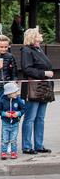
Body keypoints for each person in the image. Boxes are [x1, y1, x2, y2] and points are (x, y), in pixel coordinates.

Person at [21, 27, 54, 155]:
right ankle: (27, 146)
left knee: (40, 118)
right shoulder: (26, 50)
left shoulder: (38, 48)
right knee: (30, 118)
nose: (41, 34)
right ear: (33, 36)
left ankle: (39, 145)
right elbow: (27, 69)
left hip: (44, 87)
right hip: (33, 88)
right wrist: (44, 73)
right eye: (39, 33)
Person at [0, 82, 26, 160]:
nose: (17, 93)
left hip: (15, 123)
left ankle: (14, 152)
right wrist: (4, 114)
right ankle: (3, 152)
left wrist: (18, 113)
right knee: (5, 139)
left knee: (13, 139)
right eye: (15, 92)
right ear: (9, 93)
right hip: (5, 122)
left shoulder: (18, 100)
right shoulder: (2, 100)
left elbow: (23, 109)